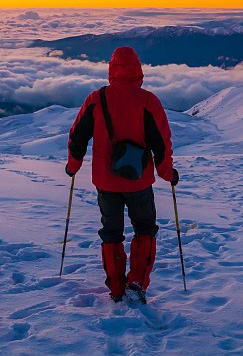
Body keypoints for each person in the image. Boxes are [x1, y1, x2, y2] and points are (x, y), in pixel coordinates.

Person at [66, 46, 178, 303]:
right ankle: (137, 282)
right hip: (139, 181)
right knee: (145, 228)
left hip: (106, 181)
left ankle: (116, 288)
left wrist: (73, 167)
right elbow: (161, 142)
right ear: (138, 71)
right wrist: (167, 173)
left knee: (111, 232)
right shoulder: (148, 101)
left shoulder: (96, 99)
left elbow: (77, 137)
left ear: (111, 70)